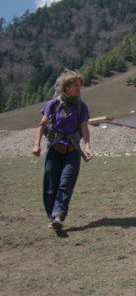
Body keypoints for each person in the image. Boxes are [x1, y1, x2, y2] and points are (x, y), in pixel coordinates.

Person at [32, 70, 93, 232]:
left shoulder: (81, 106)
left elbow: (84, 128)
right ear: (65, 87)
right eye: (75, 85)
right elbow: (42, 125)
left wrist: (87, 147)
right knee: (51, 183)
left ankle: (58, 215)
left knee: (65, 183)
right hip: (54, 149)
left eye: (80, 86)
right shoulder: (54, 104)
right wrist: (37, 145)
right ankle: (51, 215)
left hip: (72, 150)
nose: (78, 89)